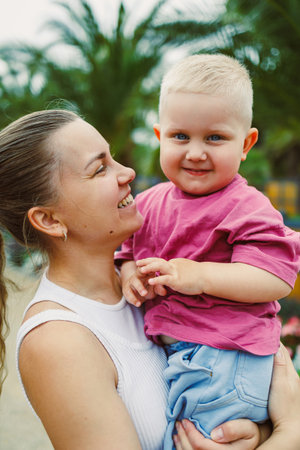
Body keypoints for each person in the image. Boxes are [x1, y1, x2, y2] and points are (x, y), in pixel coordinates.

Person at [0, 109, 298, 450]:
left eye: (113, 157)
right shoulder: (57, 341)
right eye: (100, 168)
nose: (128, 172)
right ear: (49, 220)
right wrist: (289, 435)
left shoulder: (154, 282)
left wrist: (258, 434)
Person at [116, 54, 300, 448]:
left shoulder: (246, 206)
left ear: (247, 143)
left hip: (226, 357)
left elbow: (275, 278)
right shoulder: (147, 203)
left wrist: (199, 276)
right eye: (180, 136)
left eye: (214, 138)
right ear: (159, 135)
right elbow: (125, 251)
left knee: (196, 442)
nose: (196, 152)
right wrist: (130, 275)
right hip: (184, 356)